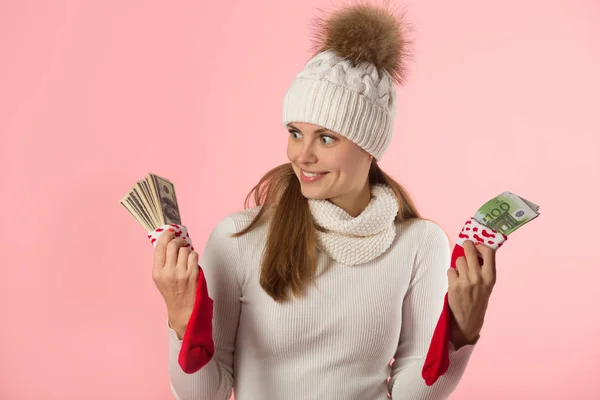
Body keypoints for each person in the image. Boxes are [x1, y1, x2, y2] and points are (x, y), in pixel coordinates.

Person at [152, 3, 498, 399]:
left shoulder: (420, 245)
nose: (303, 155)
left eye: (326, 138)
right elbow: (203, 395)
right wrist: (182, 320)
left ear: (369, 147)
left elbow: (411, 395)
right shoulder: (238, 238)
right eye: (295, 133)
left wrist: (461, 333)